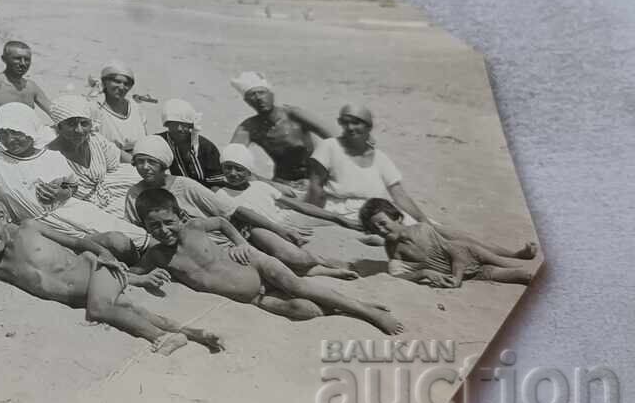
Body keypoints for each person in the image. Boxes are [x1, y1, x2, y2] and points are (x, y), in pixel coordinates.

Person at [0, 196, 222, 355]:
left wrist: (105, 254)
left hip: (98, 270)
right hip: (83, 296)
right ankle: (192, 333)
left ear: (1, 216)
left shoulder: (30, 228)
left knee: (100, 308)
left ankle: (159, 337)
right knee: (130, 309)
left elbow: (77, 243)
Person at [133, 189, 404, 335]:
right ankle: (348, 309)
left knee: (298, 286)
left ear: (179, 216)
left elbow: (221, 221)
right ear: (144, 226)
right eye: (153, 226)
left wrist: (240, 242)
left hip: (254, 263)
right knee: (305, 310)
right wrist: (135, 275)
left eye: (168, 222)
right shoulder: (157, 256)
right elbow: (136, 272)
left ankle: (369, 312)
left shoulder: (193, 227)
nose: (163, 230)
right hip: (253, 299)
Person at [0, 102, 151, 252]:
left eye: (17, 132)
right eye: (4, 133)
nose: (11, 139)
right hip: (41, 227)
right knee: (111, 246)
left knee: (134, 237)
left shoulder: (51, 155)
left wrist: (62, 192)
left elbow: (72, 185)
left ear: (30, 130)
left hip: (73, 209)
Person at [126, 136, 308, 247]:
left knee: (289, 257)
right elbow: (136, 231)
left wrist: (278, 230)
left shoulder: (185, 185)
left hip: (227, 237)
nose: (145, 167)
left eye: (151, 162)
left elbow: (232, 210)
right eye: (140, 162)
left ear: (163, 164)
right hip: (185, 250)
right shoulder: (133, 195)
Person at [216, 144, 358, 279]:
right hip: (261, 232)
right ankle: (321, 263)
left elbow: (299, 206)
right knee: (291, 256)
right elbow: (245, 214)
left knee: (298, 255)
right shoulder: (221, 194)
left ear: (249, 171)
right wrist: (280, 230)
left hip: (283, 223)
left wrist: (337, 218)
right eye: (228, 168)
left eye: (239, 168)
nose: (233, 173)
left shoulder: (260, 186)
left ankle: (317, 266)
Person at [359, 199, 539, 287]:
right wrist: (423, 272)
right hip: (464, 273)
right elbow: (397, 277)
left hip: (466, 257)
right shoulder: (393, 251)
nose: (381, 230)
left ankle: (515, 258)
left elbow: (458, 248)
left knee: (508, 265)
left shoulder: (423, 229)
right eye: (374, 229)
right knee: (507, 275)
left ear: (397, 218)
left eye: (383, 224)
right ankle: (523, 274)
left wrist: (457, 276)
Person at [304, 104, 430, 227]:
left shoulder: (380, 157)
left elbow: (399, 194)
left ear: (368, 126)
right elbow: (316, 187)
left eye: (356, 123)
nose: (350, 127)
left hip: (377, 211)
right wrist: (312, 216)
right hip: (341, 211)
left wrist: (424, 221)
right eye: (345, 123)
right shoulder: (329, 146)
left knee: (430, 228)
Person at [229, 72, 337, 189]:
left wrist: (322, 178)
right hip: (283, 184)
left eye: (262, 92)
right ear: (247, 101)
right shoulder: (249, 127)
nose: (259, 98)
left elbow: (335, 139)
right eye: (252, 95)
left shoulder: (293, 114)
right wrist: (267, 183)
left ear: (272, 95)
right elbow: (231, 159)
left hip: (315, 179)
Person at [46, 94, 141, 219]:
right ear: (59, 127)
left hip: (108, 194)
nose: (79, 130)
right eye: (71, 124)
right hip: (83, 210)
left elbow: (125, 158)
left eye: (84, 123)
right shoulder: (50, 156)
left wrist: (147, 165)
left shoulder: (94, 140)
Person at [157, 99, 225, 188]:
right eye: (174, 124)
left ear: (191, 125)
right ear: (167, 124)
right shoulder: (158, 142)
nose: (179, 129)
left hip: (205, 192)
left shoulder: (206, 147)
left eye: (184, 124)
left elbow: (216, 183)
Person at [90, 61, 148, 162]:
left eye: (127, 84)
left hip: (140, 163)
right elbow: (97, 144)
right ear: (104, 82)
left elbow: (145, 142)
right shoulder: (96, 108)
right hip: (108, 163)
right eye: (117, 81)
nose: (122, 87)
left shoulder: (135, 107)